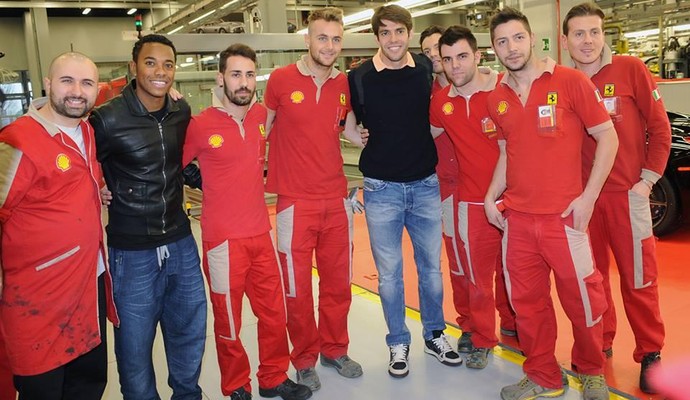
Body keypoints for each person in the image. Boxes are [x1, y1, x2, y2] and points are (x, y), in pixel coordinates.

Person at [484, 8, 619, 400]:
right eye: (502, 42)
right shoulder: (498, 98)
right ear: (494, 49)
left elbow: (607, 138)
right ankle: (542, 375)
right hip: (519, 223)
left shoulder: (570, 81)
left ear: (533, 39)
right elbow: (508, 152)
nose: (511, 48)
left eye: (517, 38)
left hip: (565, 219)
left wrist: (588, 198)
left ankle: (591, 371)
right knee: (527, 305)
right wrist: (492, 195)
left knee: (583, 300)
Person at [182, 43, 312, 400]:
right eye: (235, 74)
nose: (243, 82)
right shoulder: (198, 124)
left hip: (260, 234)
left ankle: (272, 377)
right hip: (222, 241)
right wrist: (192, 175)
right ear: (220, 78)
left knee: (273, 314)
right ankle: (236, 385)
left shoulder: (260, 117)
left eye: (250, 75)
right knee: (229, 321)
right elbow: (168, 163)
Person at [89, 34, 207, 400]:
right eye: (151, 63)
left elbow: (180, 161)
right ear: (133, 67)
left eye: (168, 64)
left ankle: (186, 394)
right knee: (135, 347)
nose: (160, 72)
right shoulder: (105, 120)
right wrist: (99, 187)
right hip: (132, 250)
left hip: (181, 240)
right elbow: (82, 167)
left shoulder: (180, 112)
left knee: (189, 329)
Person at [348, 4, 462, 379]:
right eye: (385, 33)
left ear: (409, 34)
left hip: (425, 184)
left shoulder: (426, 70)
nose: (393, 40)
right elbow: (345, 118)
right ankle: (398, 340)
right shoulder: (360, 77)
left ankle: (434, 334)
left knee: (431, 270)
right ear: (376, 37)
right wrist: (355, 134)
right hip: (381, 189)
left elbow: (457, 86)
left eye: (399, 32)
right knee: (390, 274)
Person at [561, 3, 670, 394]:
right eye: (579, 34)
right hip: (584, 201)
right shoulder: (564, 79)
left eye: (593, 32)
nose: (587, 41)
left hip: (628, 197)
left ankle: (650, 353)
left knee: (639, 280)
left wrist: (647, 181)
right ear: (566, 40)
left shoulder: (630, 69)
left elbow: (660, 128)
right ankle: (599, 342)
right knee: (591, 279)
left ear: (603, 34)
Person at [263, 7, 366, 392]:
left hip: (336, 199)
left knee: (339, 283)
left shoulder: (344, 84)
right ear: (307, 40)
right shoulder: (280, 79)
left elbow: (351, 130)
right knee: (297, 287)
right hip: (294, 202)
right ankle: (304, 357)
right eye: (322, 38)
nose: (329, 46)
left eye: (336, 39)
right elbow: (262, 129)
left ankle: (335, 349)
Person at [0, 52, 109, 399]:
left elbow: (73, 179)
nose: (77, 91)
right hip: (39, 299)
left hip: (87, 286)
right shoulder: (15, 141)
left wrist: (97, 190)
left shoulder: (87, 131)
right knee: (44, 391)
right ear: (48, 85)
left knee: (89, 385)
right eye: (67, 81)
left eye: (87, 83)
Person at [421, 24, 516, 359]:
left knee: (521, 276)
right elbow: (421, 137)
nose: (455, 65)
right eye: (447, 59)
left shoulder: (503, 89)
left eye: (462, 56)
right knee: (476, 278)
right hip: (469, 200)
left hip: (514, 200)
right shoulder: (440, 102)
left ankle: (532, 342)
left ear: (477, 56)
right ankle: (482, 339)